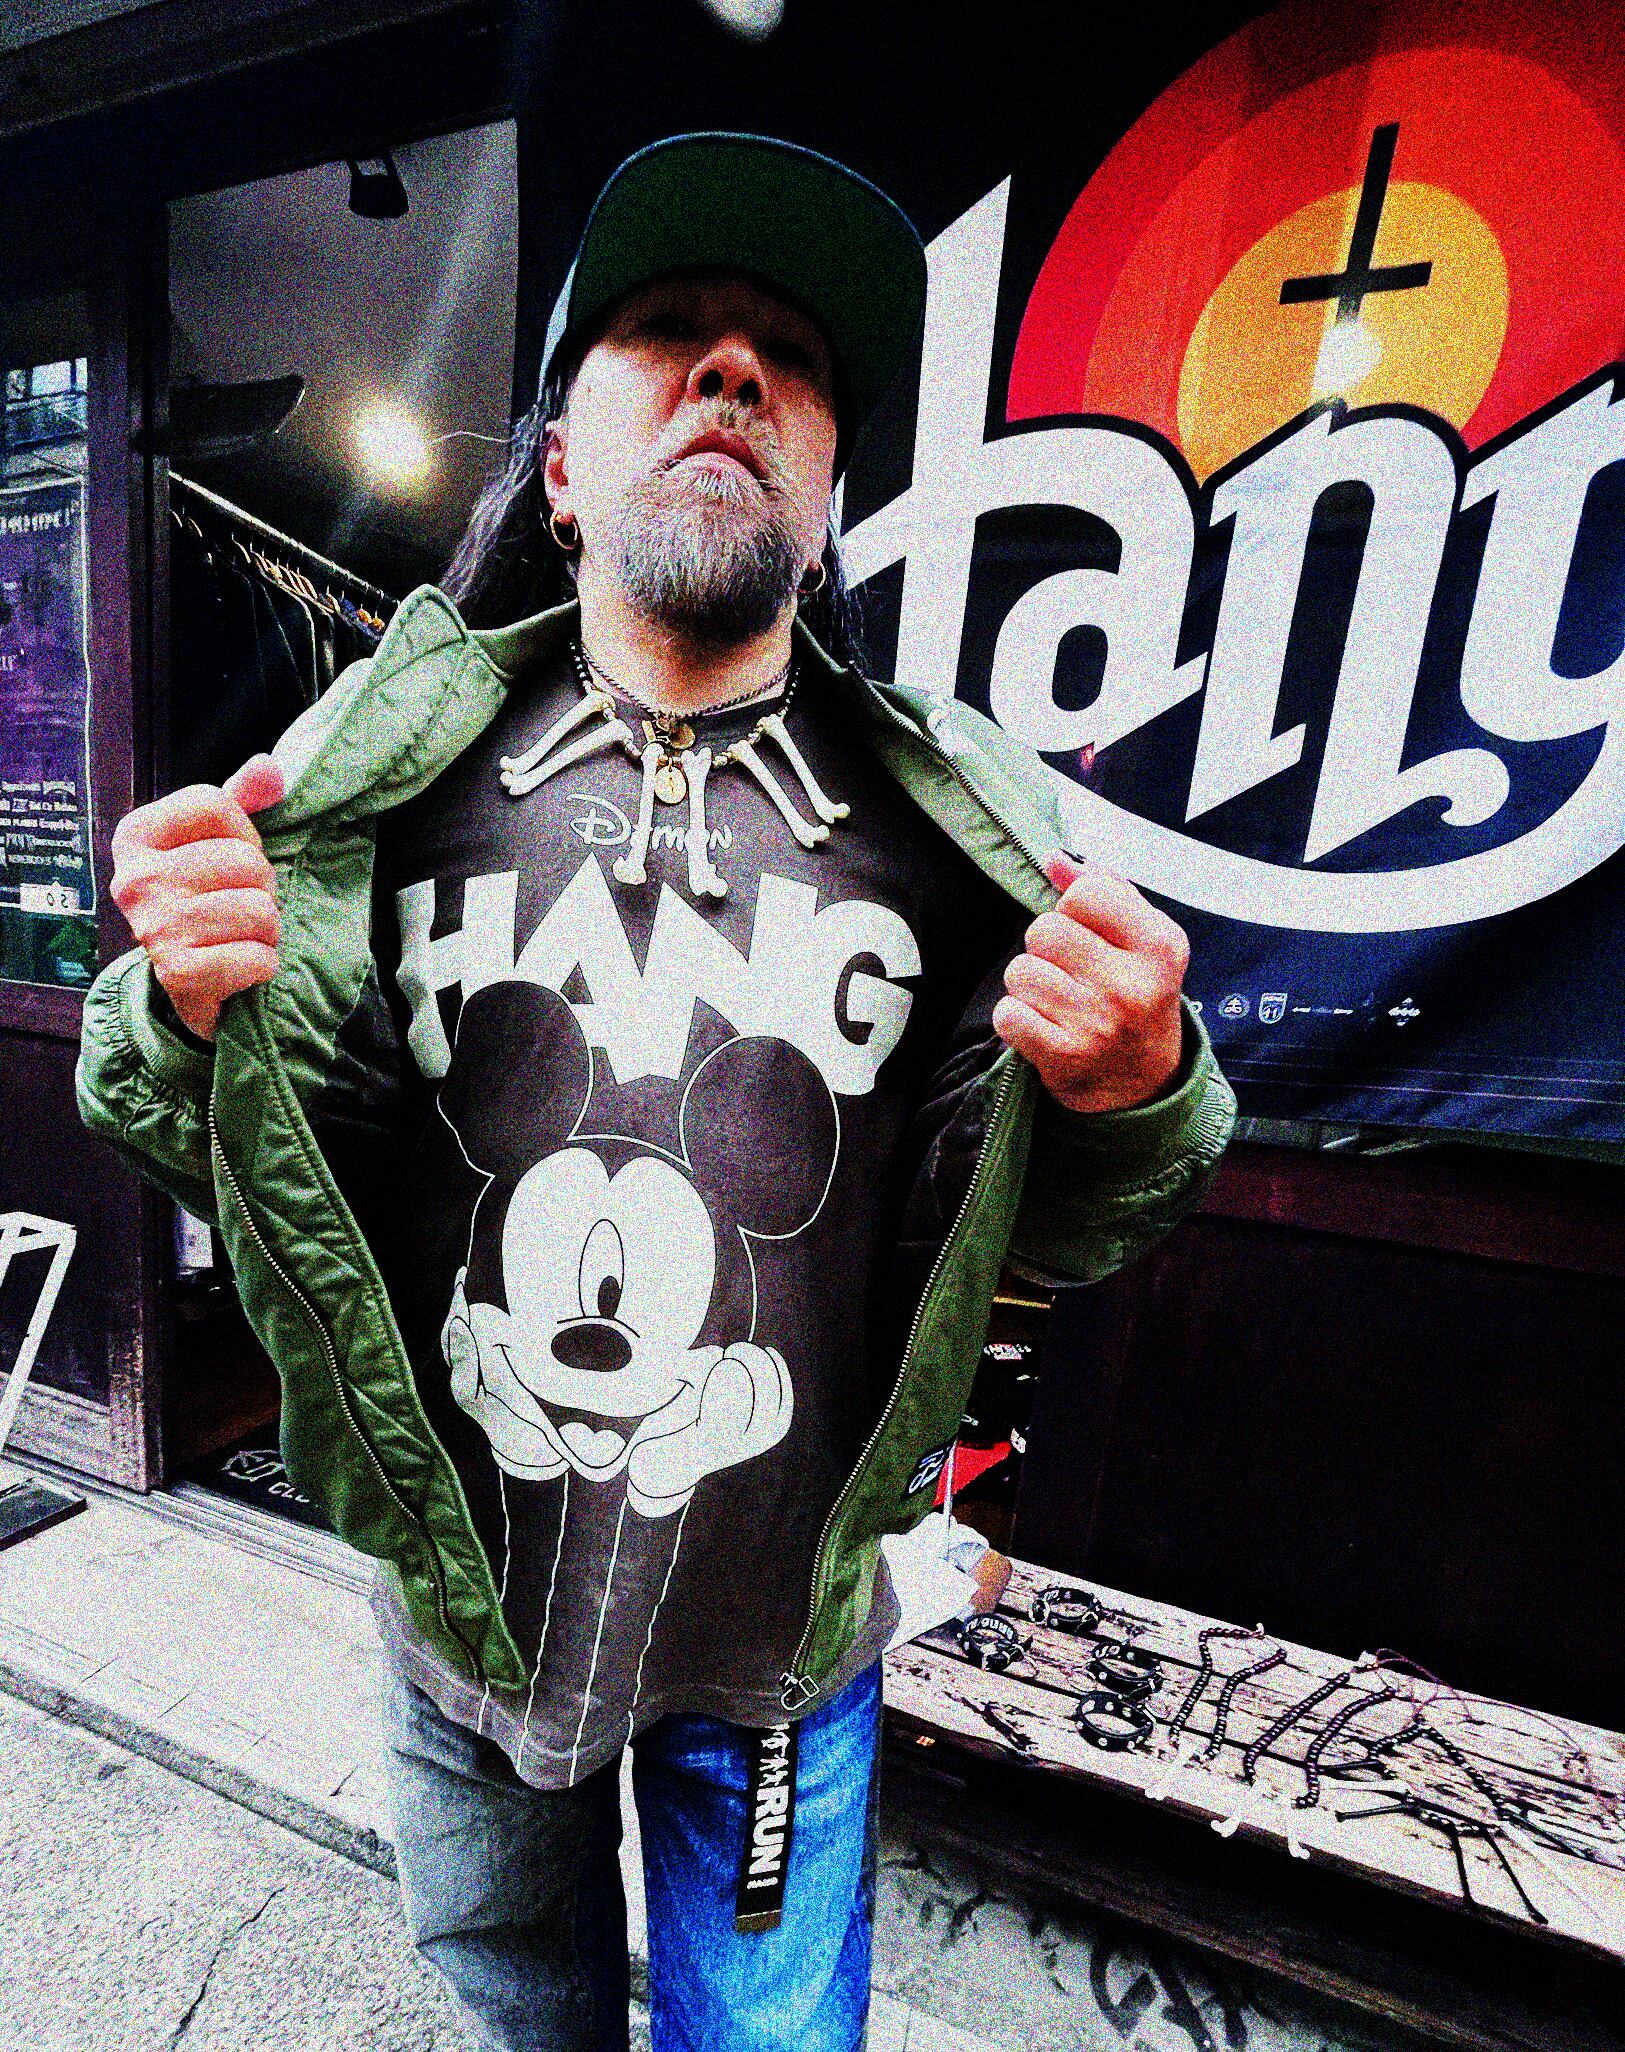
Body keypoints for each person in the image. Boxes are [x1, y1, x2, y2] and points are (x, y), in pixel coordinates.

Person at [77, 134, 1235, 2052]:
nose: (732, 371)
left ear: (827, 500)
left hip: (778, 1652)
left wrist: (1142, 1085)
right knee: (516, 2013)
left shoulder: (959, 829)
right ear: (555, 470)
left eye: (792, 360)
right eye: (668, 329)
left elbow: (1073, 1209)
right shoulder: (378, 771)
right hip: (464, 1624)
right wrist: (182, 1013)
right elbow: (235, 1145)